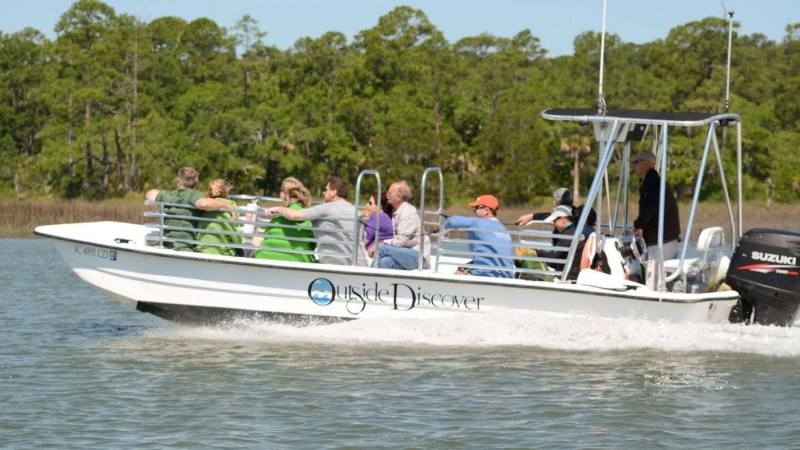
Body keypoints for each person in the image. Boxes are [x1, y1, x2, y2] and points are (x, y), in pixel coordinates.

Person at [264, 176, 366, 266]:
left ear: (333, 192)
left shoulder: (326, 208)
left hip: (334, 264)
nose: (323, 193)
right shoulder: (356, 212)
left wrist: (278, 209)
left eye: (326, 190)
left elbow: (294, 215)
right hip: (360, 264)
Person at [145, 167, 236, 251]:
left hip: (166, 245)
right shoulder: (194, 195)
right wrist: (227, 205)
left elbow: (150, 194)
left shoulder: (168, 195)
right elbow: (204, 204)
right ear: (196, 182)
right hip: (185, 247)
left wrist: (163, 194)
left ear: (179, 180)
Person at [442, 194, 514, 278]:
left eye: (476, 208)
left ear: (486, 210)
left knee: (459, 272)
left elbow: (452, 221)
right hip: (507, 276)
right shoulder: (503, 228)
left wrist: (442, 229)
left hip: (486, 275)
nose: (474, 211)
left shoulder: (477, 223)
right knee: (463, 268)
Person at [631, 150, 681, 260]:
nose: (633, 165)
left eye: (636, 162)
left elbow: (650, 210)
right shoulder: (659, 182)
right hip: (670, 241)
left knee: (655, 277)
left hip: (660, 245)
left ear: (646, 163)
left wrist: (638, 225)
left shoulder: (651, 184)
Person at [254, 177, 316, 263]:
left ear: (284, 193)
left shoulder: (277, 217)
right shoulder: (308, 216)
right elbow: (313, 243)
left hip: (264, 259)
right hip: (300, 262)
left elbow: (267, 237)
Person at [373, 180, 430, 270]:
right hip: (405, 253)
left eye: (390, 193)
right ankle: (376, 282)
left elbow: (400, 242)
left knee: (381, 248)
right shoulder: (396, 211)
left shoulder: (407, 212)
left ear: (399, 197)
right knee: (385, 262)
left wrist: (382, 243)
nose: (387, 195)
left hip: (417, 256)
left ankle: (362, 277)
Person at [537, 205, 592, 280]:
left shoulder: (568, 235)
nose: (554, 224)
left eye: (554, 221)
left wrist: (536, 252)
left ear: (563, 219)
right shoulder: (575, 231)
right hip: (576, 273)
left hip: (569, 276)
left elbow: (553, 258)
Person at [195, 179, 242, 256]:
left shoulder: (205, 207)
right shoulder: (231, 208)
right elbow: (236, 238)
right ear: (225, 191)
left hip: (201, 250)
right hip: (222, 253)